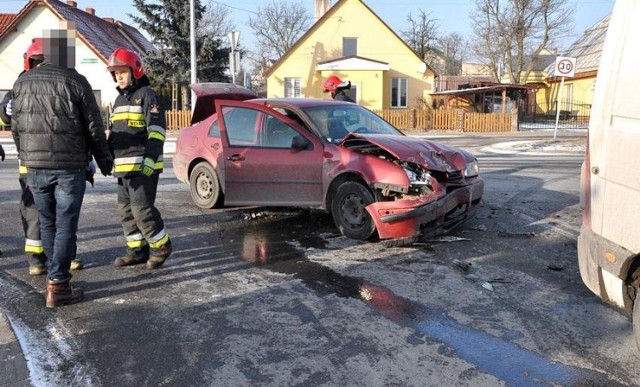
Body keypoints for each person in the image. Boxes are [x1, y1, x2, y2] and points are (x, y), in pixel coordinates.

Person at [11, 29, 113, 308]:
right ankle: (57, 285)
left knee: (47, 222)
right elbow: (93, 127)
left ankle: (55, 281)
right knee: (66, 225)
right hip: (69, 167)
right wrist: (105, 162)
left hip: (35, 167)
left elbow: (16, 128)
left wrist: (26, 156)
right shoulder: (76, 80)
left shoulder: (21, 84)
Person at [0, 38, 85, 276]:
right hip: (31, 164)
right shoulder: (20, 85)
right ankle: (38, 259)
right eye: (37, 61)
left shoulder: (62, 80)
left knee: (62, 211)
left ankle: (66, 256)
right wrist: (6, 113)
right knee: (37, 212)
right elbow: (6, 119)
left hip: (49, 160)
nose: (41, 65)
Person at [107, 47, 172, 270]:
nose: (119, 77)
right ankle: (136, 251)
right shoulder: (118, 100)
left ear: (135, 70)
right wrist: (107, 158)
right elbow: (114, 134)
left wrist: (150, 160)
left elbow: (157, 132)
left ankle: (161, 246)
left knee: (142, 210)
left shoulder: (147, 96)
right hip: (123, 169)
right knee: (126, 212)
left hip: (143, 167)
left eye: (122, 72)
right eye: (115, 73)